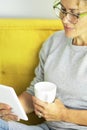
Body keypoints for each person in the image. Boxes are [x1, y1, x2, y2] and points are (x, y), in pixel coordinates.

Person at [0, 0, 87, 129]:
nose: (64, 19)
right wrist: (12, 109)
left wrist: (64, 114)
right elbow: (34, 92)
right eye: (63, 10)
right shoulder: (54, 42)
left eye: (74, 14)